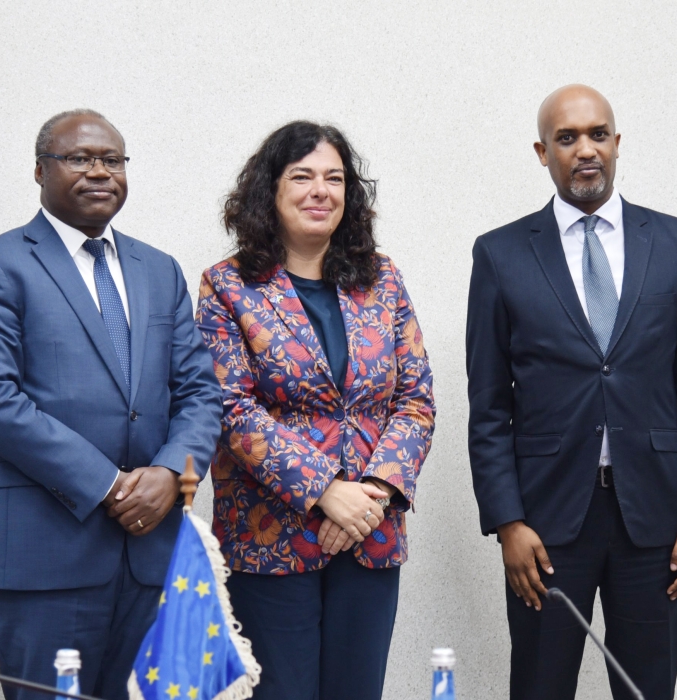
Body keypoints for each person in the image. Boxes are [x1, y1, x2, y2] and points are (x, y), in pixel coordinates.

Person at [0, 109, 222, 700]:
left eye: (113, 160)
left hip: (153, 558)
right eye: (79, 158)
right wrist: (110, 485)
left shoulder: (159, 269)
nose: (100, 171)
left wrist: (172, 474)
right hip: (46, 561)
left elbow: (200, 390)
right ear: (41, 170)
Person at [465, 85, 677, 700]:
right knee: (540, 687)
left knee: (645, 689)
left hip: (658, 523)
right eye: (567, 137)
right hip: (547, 528)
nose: (586, 150)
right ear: (542, 151)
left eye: (598, 134)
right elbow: (489, 407)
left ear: (616, 143)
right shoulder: (500, 254)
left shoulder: (676, 242)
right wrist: (508, 523)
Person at [195, 121, 436, 700]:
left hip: (370, 534)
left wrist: (372, 492)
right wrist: (327, 489)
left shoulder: (383, 279)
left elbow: (416, 398)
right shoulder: (227, 286)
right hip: (269, 537)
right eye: (302, 177)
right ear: (269, 192)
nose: (320, 191)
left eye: (334, 178)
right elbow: (230, 407)